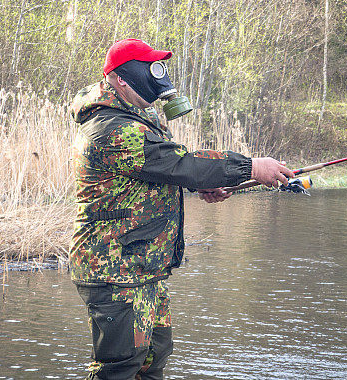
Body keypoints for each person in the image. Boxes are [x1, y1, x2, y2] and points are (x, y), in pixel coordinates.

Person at [69, 38, 293, 379]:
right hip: (114, 268)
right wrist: (250, 167)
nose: (157, 79)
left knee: (153, 359)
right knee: (119, 367)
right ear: (122, 78)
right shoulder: (111, 128)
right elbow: (179, 163)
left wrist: (202, 184)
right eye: (150, 68)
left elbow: (158, 171)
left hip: (142, 264)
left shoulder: (137, 112)